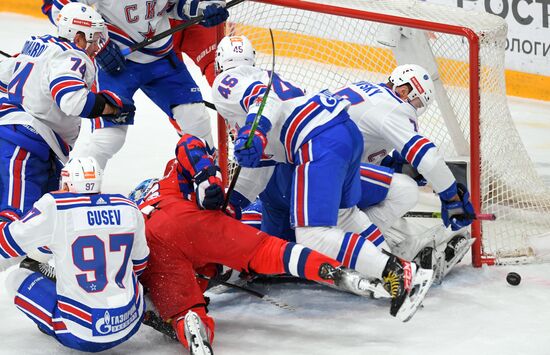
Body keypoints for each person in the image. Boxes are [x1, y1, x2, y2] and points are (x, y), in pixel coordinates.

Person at [211, 35, 433, 308]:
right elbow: (262, 165)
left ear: (219, 63)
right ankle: (396, 268)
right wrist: (233, 202)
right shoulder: (269, 77)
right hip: (326, 147)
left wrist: (254, 133)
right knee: (343, 217)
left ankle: (393, 270)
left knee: (312, 235)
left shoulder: (226, 83)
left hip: (312, 153)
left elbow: (264, 102)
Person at [127, 134, 399, 354]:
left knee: (186, 310)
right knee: (269, 250)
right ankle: (338, 272)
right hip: (192, 222)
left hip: (154, 245)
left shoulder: (133, 210)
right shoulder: (169, 178)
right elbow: (189, 142)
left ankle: (189, 323)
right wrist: (206, 177)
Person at [240, 64, 476, 283]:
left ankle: (355, 249)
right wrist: (451, 197)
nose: (415, 110)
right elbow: (428, 157)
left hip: (287, 175)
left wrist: (394, 164)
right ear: (404, 90)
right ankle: (376, 256)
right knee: (405, 189)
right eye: (416, 103)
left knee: (280, 244)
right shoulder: (392, 106)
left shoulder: (363, 91)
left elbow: (360, 154)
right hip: (314, 170)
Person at [49, 0, 229, 169]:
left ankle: (207, 180)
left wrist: (201, 10)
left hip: (161, 58)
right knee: (109, 136)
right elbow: (62, 11)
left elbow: (175, 5)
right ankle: (74, 185)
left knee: (195, 118)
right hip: (116, 65)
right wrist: (100, 43)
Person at [1, 157, 149, 352]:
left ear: (68, 182)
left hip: (80, 333)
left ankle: (53, 316)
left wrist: (8, 215)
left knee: (16, 277)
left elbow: (6, 244)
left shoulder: (56, 205)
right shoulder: (127, 205)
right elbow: (139, 263)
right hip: (130, 322)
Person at [0, 3, 134, 216]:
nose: (97, 46)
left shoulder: (37, 45)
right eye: (95, 39)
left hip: (25, 141)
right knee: (19, 221)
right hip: (25, 146)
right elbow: (72, 101)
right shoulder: (72, 56)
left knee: (45, 219)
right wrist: (112, 108)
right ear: (78, 38)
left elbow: (4, 76)